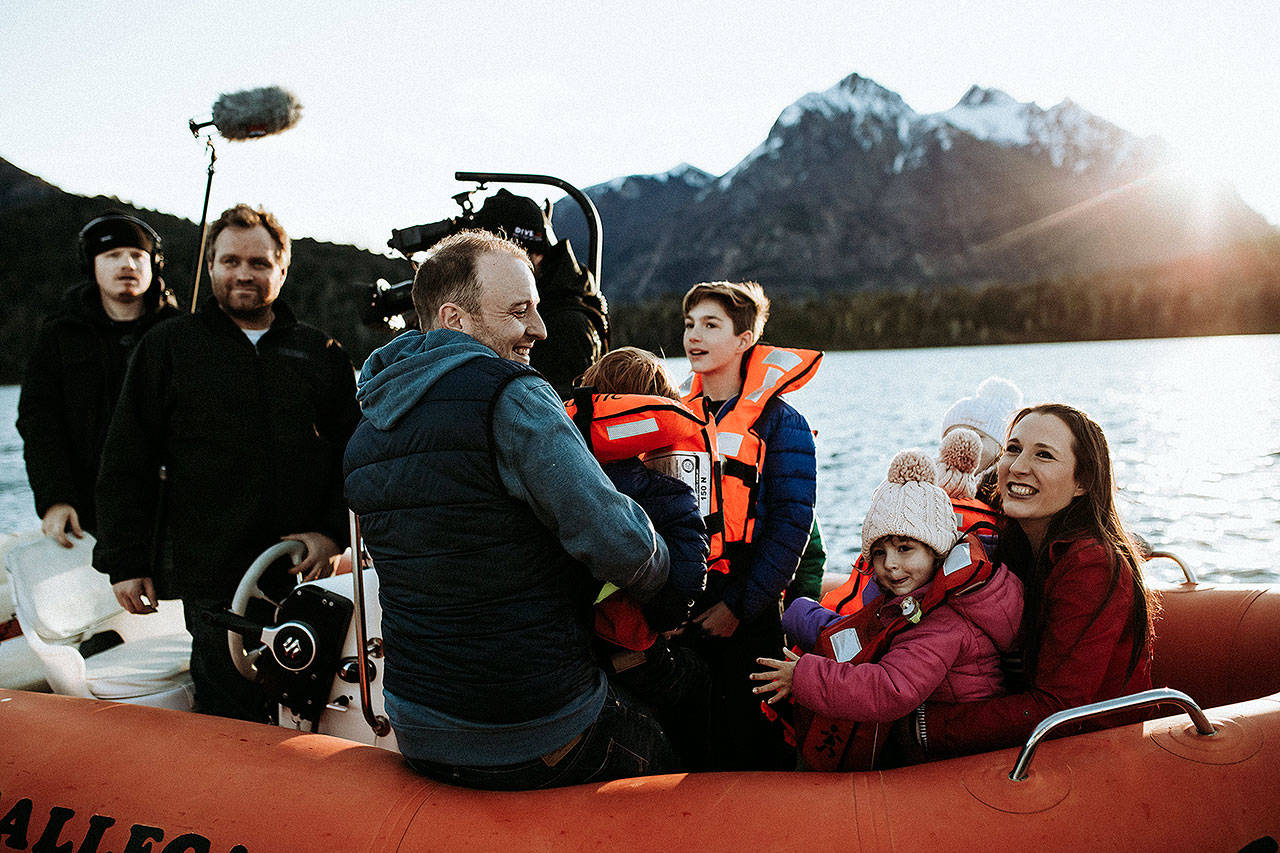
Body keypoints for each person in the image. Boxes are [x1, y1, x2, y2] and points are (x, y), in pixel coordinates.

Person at [343, 230, 675, 791]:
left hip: (416, 725)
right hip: (529, 728)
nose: (540, 330)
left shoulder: (370, 419)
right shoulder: (512, 395)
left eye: (538, 308)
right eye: (519, 311)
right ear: (455, 319)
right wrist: (672, 569)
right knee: (678, 731)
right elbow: (622, 547)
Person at [93, 204, 359, 722]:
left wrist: (331, 535)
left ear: (281, 269)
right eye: (230, 260)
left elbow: (351, 458)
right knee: (229, 713)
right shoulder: (168, 347)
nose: (243, 273)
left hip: (309, 578)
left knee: (322, 710)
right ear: (209, 265)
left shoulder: (319, 351)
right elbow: (128, 459)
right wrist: (126, 563)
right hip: (213, 574)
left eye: (259, 263)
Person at [903, 403, 1158, 759]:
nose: (1019, 467)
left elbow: (1060, 708)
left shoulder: (1091, 565)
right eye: (1013, 449)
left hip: (1095, 754)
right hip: (1020, 735)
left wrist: (925, 726)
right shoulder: (1008, 542)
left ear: (1082, 482)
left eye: (1044, 456)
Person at [755, 450, 1022, 770]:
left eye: (905, 548)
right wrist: (802, 615)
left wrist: (803, 676)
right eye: (879, 552)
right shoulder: (916, 599)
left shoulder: (944, 623)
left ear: (936, 551)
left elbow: (888, 687)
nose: (890, 564)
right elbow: (870, 634)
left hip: (951, 757)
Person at [679, 280, 820, 770]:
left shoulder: (784, 424)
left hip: (749, 610)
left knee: (753, 744)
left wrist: (738, 606)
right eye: (690, 324)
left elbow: (791, 525)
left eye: (710, 325)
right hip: (687, 606)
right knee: (696, 743)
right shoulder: (675, 417)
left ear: (744, 341)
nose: (694, 336)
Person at [572, 347, 712, 767]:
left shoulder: (559, 475)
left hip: (575, 642)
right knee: (699, 682)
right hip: (631, 644)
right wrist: (668, 619)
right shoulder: (664, 491)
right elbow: (688, 576)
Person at [17, 212, 180, 546]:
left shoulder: (182, 333)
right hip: (89, 512)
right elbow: (40, 423)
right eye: (113, 255)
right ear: (90, 265)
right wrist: (55, 499)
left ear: (155, 264)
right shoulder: (58, 336)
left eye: (137, 255)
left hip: (170, 511)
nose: (128, 265)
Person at [472, 188, 609, 399]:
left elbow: (564, 420)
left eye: (491, 257)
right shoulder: (557, 299)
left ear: (530, 253)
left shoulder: (566, 324)